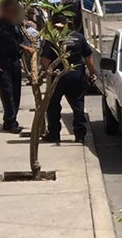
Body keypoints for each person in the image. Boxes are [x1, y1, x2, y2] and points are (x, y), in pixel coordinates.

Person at [41, 13, 97, 144]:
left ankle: (54, 134)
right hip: (76, 75)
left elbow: (45, 60)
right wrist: (92, 73)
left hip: (58, 76)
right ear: (66, 23)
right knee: (78, 105)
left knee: (53, 106)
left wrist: (47, 72)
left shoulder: (51, 39)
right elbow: (88, 57)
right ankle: (80, 135)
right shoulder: (78, 37)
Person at [0, 0, 34, 132]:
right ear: (5, 10)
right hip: (2, 62)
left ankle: (10, 120)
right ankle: (11, 122)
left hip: (15, 62)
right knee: (7, 92)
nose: (13, 13)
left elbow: (17, 42)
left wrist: (26, 48)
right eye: (11, 10)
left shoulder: (15, 25)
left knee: (16, 91)